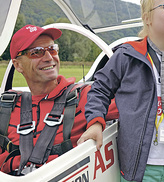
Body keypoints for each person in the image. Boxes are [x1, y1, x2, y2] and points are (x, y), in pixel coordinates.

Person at [79, 0, 164, 181]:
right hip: (139, 167)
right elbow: (99, 90)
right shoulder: (126, 55)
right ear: (146, 18)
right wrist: (96, 122)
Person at [0, 24, 120, 175]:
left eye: (52, 49)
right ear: (18, 65)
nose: (49, 57)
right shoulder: (6, 107)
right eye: (36, 52)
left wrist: (96, 122)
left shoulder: (86, 97)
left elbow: (139, 104)